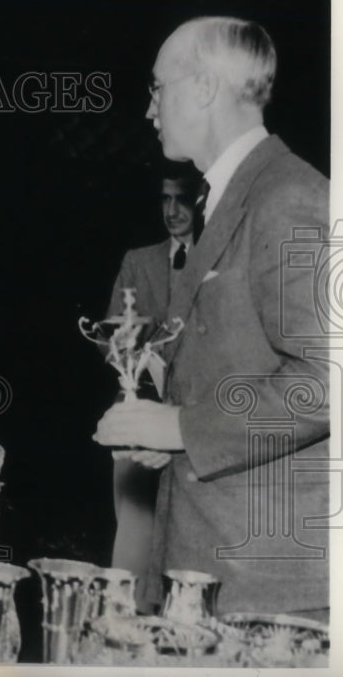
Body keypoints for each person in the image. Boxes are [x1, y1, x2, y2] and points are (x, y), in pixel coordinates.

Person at [94, 17, 329, 618]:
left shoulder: (287, 196)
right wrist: (170, 434)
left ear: (201, 88)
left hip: (267, 583)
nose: (150, 108)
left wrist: (182, 429)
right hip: (213, 563)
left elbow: (331, 384)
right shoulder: (230, 195)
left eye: (157, 87)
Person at [106, 163, 202, 605]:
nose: (172, 210)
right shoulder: (137, 261)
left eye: (181, 199)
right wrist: (129, 350)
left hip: (196, 426)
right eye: (165, 199)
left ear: (201, 201)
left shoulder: (218, 261)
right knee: (133, 540)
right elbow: (111, 343)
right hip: (141, 418)